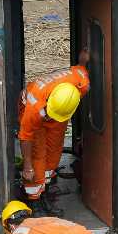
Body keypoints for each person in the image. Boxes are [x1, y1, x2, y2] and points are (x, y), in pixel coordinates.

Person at [18, 49, 90, 217]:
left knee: (54, 152)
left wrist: (84, 59)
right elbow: (25, 136)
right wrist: (27, 166)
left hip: (58, 114)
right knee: (38, 157)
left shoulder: (81, 84)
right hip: (34, 115)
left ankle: (45, 191)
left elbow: (81, 67)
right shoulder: (34, 104)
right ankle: (34, 201)